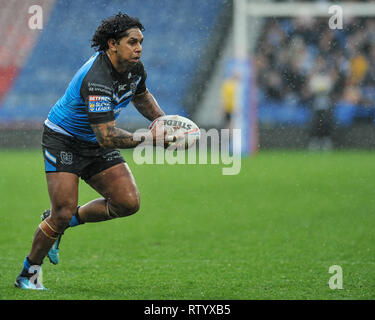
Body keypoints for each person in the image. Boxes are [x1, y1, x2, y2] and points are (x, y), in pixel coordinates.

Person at [15, 12, 172, 290]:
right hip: (64, 140)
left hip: (94, 141)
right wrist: (149, 137)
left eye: (141, 42)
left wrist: (162, 122)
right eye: (132, 42)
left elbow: (141, 94)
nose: (139, 48)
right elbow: (107, 135)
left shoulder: (135, 68)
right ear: (113, 44)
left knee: (127, 203)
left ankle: (61, 222)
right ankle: (29, 274)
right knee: (60, 213)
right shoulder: (97, 77)